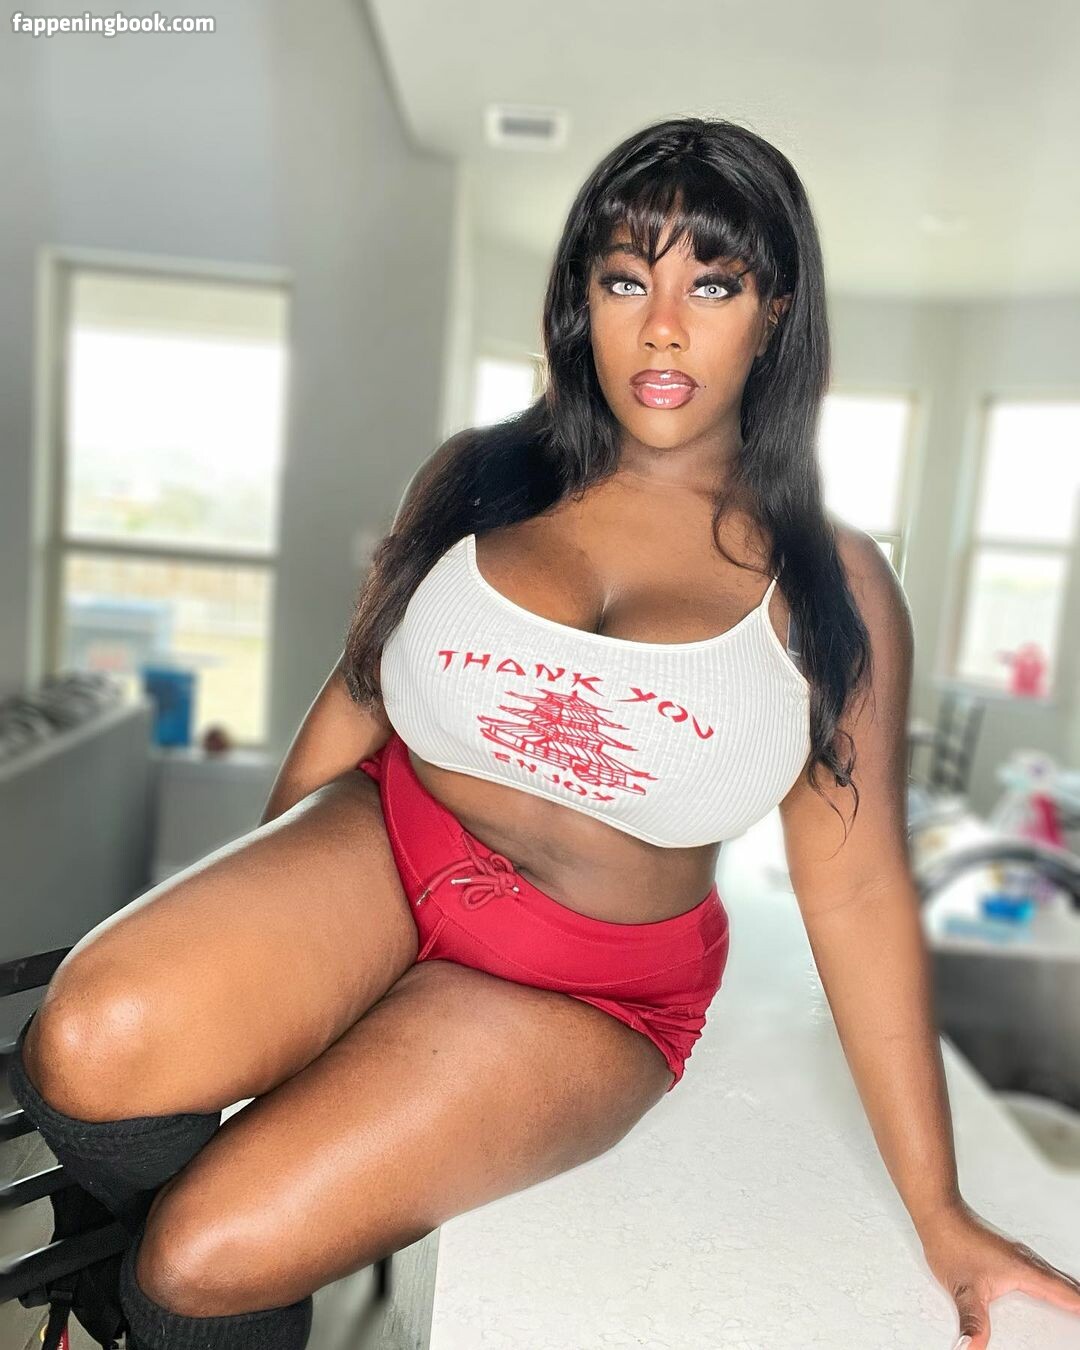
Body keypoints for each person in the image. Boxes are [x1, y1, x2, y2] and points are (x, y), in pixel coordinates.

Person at [11, 116, 1079, 1350]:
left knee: (202, 1258)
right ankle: (118, 1277)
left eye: (712, 285)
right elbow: (358, 696)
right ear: (582, 300)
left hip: (591, 988)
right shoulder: (478, 477)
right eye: (626, 280)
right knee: (80, 1046)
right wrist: (288, 978)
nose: (662, 328)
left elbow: (859, 895)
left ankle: (136, 1291)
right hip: (386, 848)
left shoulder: (832, 586)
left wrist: (939, 1210)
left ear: (775, 311)